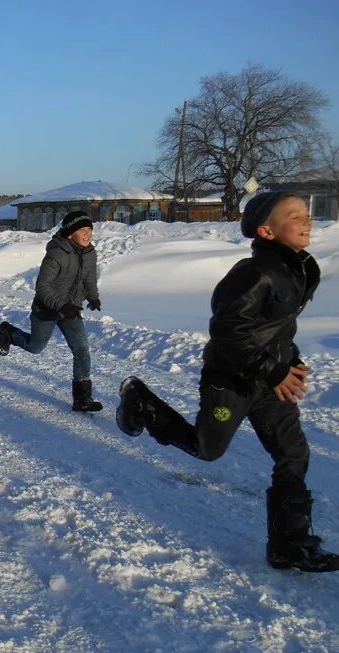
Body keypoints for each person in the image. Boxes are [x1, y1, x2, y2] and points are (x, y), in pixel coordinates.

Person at [116, 193, 337, 571]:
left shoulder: (300, 268)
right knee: (207, 449)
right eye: (295, 216)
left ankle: (289, 544)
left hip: (270, 382)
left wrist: (289, 361)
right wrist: (274, 369)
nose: (307, 221)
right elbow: (229, 330)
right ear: (266, 230)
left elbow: (274, 327)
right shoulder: (254, 273)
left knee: (293, 454)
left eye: (307, 214)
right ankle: (142, 404)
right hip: (231, 379)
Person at [0, 210, 103, 412]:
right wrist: (62, 304)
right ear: (71, 233)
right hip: (47, 308)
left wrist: (93, 297)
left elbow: (89, 279)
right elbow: (43, 287)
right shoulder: (56, 253)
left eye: (90, 229)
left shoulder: (90, 253)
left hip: (70, 310)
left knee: (82, 350)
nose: (88, 234)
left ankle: (82, 399)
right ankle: (9, 333)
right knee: (35, 347)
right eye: (82, 230)